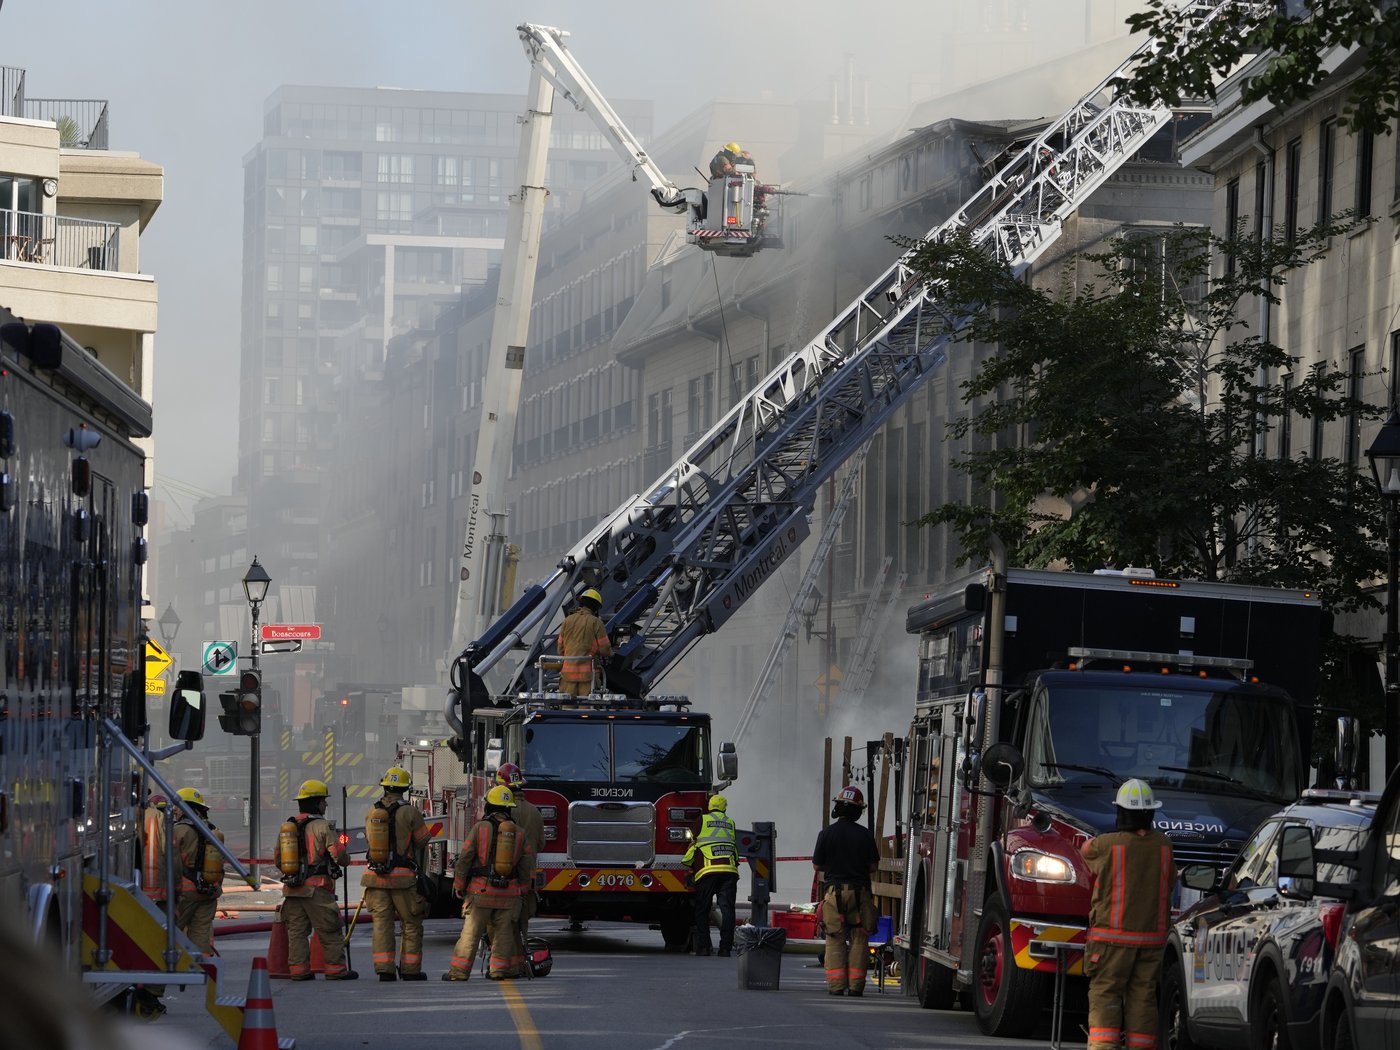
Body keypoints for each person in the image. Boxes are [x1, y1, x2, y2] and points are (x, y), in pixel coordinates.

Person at [1080, 778, 1176, 1050]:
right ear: (1150, 813)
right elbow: (1170, 882)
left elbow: (1084, 852)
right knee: (1144, 1000)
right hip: (1151, 943)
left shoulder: (1106, 844)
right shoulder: (1164, 846)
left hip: (1110, 942)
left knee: (1106, 995)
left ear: (1121, 812)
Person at [442, 785, 534, 981]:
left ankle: (459, 972)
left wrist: (459, 884)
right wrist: (523, 889)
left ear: (489, 807)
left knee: (470, 933)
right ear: (509, 808)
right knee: (504, 933)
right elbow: (527, 865)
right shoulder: (519, 832)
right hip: (509, 895)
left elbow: (465, 858)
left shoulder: (480, 828)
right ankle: (499, 971)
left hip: (480, 892)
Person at [278, 778, 357, 981]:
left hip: (293, 889)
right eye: (324, 801)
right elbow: (338, 855)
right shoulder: (323, 826)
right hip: (317, 890)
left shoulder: (288, 826)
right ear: (316, 803)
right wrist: (345, 860)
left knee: (297, 932)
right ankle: (336, 970)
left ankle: (299, 971)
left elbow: (278, 859)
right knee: (330, 930)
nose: (326, 804)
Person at [362, 766, 432, 982]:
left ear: (385, 787)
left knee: (382, 925)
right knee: (411, 924)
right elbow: (422, 840)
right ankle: (410, 970)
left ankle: (385, 969)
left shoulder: (372, 812)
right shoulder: (410, 812)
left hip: (376, 878)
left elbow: (369, 840)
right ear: (404, 789)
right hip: (402, 879)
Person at [811, 785, 880, 996]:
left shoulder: (826, 833)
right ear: (858, 811)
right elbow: (873, 867)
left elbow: (817, 865)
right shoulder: (866, 835)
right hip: (860, 894)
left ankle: (836, 986)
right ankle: (856, 987)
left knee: (835, 938)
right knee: (860, 938)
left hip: (834, 894)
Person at [496, 762, 544, 965]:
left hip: (504, 876)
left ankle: (500, 963)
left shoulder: (503, 812)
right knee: (521, 923)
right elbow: (541, 844)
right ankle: (518, 964)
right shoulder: (535, 811)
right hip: (527, 878)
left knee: (501, 923)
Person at [682, 793, 739, 957]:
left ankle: (704, 947)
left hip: (707, 871)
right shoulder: (730, 822)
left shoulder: (702, 820)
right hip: (729, 872)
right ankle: (725, 948)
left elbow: (692, 839)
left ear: (709, 807)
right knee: (728, 910)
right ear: (724, 808)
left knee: (702, 910)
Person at [171, 787, 224, 955]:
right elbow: (220, 864)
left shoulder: (178, 831)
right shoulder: (213, 830)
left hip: (185, 893)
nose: (175, 810)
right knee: (201, 934)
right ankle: (201, 969)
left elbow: (172, 864)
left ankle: (174, 966)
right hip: (209, 890)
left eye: (178, 807)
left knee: (171, 932)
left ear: (186, 807)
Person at [557, 588, 612, 697]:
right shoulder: (596, 622)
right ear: (595, 607)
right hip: (587, 678)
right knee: (586, 709)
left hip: (567, 677)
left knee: (567, 708)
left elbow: (560, 649)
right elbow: (605, 649)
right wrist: (611, 654)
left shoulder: (567, 620)